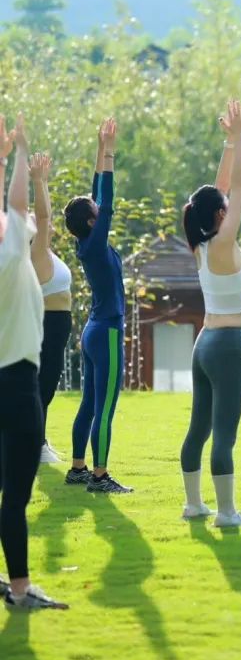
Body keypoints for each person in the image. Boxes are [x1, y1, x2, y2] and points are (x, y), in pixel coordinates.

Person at [178, 100, 241, 527]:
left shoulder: (201, 244)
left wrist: (229, 143)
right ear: (220, 214)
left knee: (199, 429)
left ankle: (194, 504)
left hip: (204, 343)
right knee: (224, 432)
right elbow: (238, 187)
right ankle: (227, 512)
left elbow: (221, 189)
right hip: (227, 344)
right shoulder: (224, 242)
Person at [0, 113, 68, 610]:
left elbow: (22, 211)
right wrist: (19, 153)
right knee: (16, 499)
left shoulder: (15, 257)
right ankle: (21, 589)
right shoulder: (11, 258)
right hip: (18, 385)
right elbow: (19, 205)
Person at [63, 118, 132, 493]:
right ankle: (100, 476)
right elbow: (105, 199)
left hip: (94, 330)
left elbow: (96, 197)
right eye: (95, 211)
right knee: (104, 408)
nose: (99, 208)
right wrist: (110, 155)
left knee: (89, 404)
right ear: (92, 221)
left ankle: (78, 469)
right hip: (106, 332)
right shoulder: (95, 238)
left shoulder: (85, 241)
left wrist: (101, 147)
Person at [28, 152, 73, 466]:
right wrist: (38, 182)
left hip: (53, 326)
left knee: (45, 385)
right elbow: (44, 218)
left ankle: (38, 440)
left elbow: (45, 219)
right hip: (49, 324)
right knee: (43, 386)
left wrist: (42, 182)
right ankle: (35, 445)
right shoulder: (36, 253)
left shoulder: (44, 254)